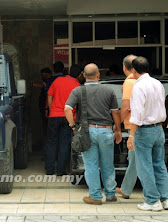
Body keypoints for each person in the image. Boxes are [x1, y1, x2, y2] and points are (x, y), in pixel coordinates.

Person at [65, 63, 122, 205]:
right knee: (108, 165)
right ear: (98, 75)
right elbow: (115, 112)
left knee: (91, 165)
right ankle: (110, 194)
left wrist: (73, 126)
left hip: (87, 132)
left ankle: (95, 197)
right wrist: (118, 130)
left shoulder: (78, 90)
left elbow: (67, 109)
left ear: (84, 76)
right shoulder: (108, 90)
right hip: (106, 130)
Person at [127, 56, 168, 211]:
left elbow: (137, 114)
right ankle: (165, 199)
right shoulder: (158, 83)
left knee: (145, 167)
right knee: (159, 165)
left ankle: (152, 201)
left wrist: (131, 135)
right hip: (159, 129)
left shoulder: (139, 87)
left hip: (144, 130)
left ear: (133, 70)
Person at [45, 62, 80, 176]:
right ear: (79, 75)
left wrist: (51, 109)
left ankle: (49, 170)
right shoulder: (77, 86)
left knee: (51, 143)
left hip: (54, 116)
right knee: (64, 144)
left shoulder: (58, 80)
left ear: (69, 72)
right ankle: (60, 171)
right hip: (68, 117)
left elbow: (49, 95)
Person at [116, 55, 137, 199]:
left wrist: (117, 124)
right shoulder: (148, 82)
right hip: (151, 126)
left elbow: (126, 106)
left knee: (134, 159)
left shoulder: (129, 83)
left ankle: (126, 189)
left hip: (133, 126)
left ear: (125, 67)